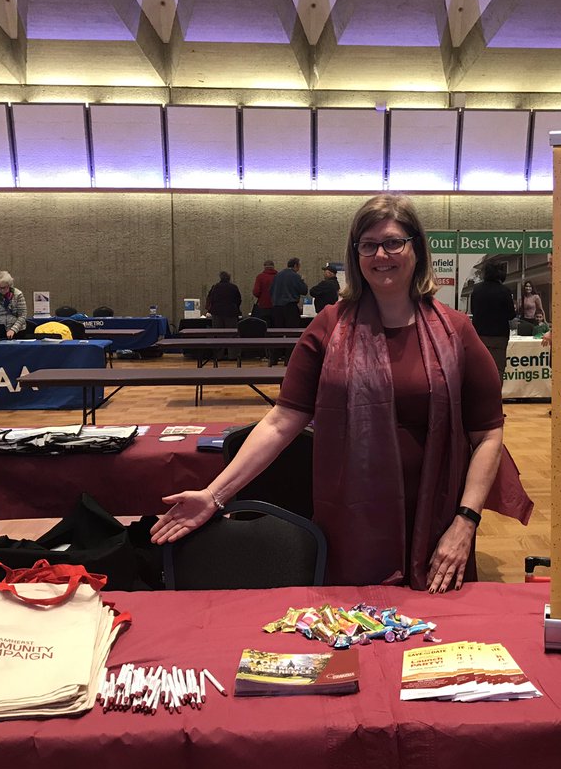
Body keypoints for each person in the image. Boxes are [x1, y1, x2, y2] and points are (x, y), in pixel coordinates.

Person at [152, 194, 532, 593]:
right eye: (368, 245)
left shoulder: (456, 331)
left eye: (393, 242)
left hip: (436, 519)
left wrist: (465, 522)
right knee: (354, 631)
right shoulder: (328, 328)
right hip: (353, 517)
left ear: (416, 248)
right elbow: (281, 423)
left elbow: (488, 434)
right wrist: (214, 495)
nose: (381, 254)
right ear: (356, 255)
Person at [469, 261, 516, 377]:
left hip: (479, 335)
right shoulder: (505, 291)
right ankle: (495, 394)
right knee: (498, 370)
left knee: (480, 369)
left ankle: (480, 394)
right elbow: (511, 315)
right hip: (499, 336)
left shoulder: (477, 290)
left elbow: (473, 310)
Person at [0, 270, 27, 339]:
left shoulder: (18, 295)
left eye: (4, 287)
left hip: (18, 332)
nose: (2, 290)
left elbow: (22, 315)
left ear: (9, 285)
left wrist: (13, 330)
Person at [269, 257, 307, 329]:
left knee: (278, 331)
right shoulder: (296, 276)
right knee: (292, 331)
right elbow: (304, 291)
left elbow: (271, 290)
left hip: (277, 307)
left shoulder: (277, 275)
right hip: (290, 308)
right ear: (296, 265)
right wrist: (302, 281)